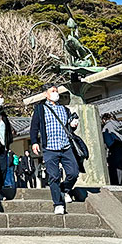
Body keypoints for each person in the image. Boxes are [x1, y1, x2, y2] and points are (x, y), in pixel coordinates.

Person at [30, 84, 79, 215]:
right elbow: (34, 126)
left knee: (73, 172)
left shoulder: (64, 109)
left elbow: (69, 126)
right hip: (50, 147)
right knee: (54, 176)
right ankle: (58, 204)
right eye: (52, 91)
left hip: (65, 146)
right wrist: (34, 142)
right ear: (46, 94)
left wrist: (73, 125)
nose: (55, 93)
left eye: (56, 91)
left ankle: (64, 189)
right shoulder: (40, 109)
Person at [102, 113, 122, 186]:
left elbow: (107, 140)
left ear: (104, 119)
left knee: (116, 167)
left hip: (114, 147)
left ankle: (117, 184)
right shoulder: (119, 125)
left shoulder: (107, 126)